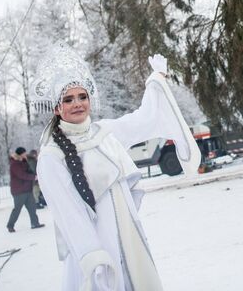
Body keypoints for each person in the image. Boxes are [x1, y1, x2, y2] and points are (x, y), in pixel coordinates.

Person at [34, 46, 200, 291]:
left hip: (128, 234)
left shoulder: (104, 132)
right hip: (96, 242)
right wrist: (92, 254)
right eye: (68, 99)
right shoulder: (52, 157)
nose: (77, 104)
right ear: (57, 108)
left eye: (82, 97)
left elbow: (143, 120)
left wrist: (156, 82)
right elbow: (67, 213)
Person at [6, 147, 44, 233]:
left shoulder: (23, 162)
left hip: (27, 189)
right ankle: (10, 225)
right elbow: (21, 175)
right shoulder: (14, 164)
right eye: (24, 153)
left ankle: (35, 223)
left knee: (32, 207)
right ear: (20, 154)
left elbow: (29, 170)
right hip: (19, 191)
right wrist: (33, 177)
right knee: (17, 209)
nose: (25, 154)